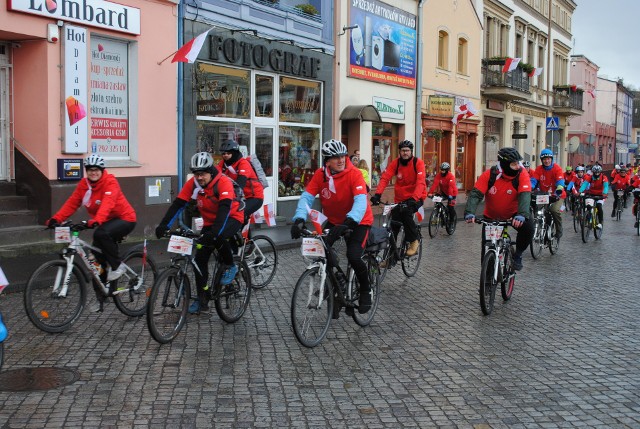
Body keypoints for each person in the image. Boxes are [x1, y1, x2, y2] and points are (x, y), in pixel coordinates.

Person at [290, 139, 373, 315]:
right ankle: (337, 288)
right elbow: (307, 197)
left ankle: (366, 290)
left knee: (353, 255)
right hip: (335, 219)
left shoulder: (355, 174)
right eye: (336, 157)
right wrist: (298, 219)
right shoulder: (320, 175)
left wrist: (349, 221)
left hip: (359, 220)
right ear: (327, 161)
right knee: (323, 251)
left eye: (343, 155)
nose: (341, 160)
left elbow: (360, 201)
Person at [155, 152, 244, 314]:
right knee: (199, 260)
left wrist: (215, 232)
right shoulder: (194, 183)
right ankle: (203, 300)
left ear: (210, 171)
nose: (199, 178)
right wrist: (163, 225)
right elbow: (178, 204)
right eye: (196, 174)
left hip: (232, 217)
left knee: (220, 236)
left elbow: (224, 209)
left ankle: (231, 265)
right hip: (210, 222)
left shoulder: (223, 182)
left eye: (202, 173)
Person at [47, 154, 137, 286]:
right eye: (90, 169)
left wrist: (97, 220)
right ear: (86, 171)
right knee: (96, 261)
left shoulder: (110, 182)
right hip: (105, 222)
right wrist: (56, 218)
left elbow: (108, 203)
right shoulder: (84, 185)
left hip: (125, 219)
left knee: (100, 234)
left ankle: (118, 266)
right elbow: (72, 203)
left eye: (96, 170)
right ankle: (102, 294)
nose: (93, 172)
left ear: (102, 170)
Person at [464, 147, 533, 271]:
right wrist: (470, 212)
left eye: (518, 163)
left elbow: (525, 194)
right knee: (487, 249)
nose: (518, 166)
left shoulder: (522, 174)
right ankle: (487, 283)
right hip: (492, 217)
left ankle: (518, 254)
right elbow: (476, 194)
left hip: (515, 215)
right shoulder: (490, 175)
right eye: (514, 164)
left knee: (528, 228)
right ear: (505, 164)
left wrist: (522, 214)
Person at [370, 140, 427, 256]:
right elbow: (385, 178)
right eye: (403, 150)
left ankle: (414, 240)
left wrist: (414, 198)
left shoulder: (418, 163)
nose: (405, 153)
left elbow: (421, 182)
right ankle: (391, 256)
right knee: (394, 224)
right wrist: (377, 194)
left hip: (416, 197)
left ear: (411, 151)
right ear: (399, 152)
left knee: (406, 214)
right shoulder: (395, 163)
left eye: (407, 150)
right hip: (400, 199)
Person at [217, 139, 264, 226]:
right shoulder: (223, 164)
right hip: (241, 197)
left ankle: (240, 234)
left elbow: (240, 184)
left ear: (234, 152)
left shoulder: (243, 163)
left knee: (237, 213)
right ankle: (243, 236)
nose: (226, 155)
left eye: (228, 153)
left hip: (254, 197)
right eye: (223, 153)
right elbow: (215, 177)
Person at [530, 149, 565, 238]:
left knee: (553, 210)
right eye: (544, 159)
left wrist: (559, 189)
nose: (547, 161)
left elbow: (560, 181)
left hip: (557, 195)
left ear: (551, 159)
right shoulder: (539, 169)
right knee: (539, 211)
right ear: (542, 160)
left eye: (548, 158)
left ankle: (559, 230)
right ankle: (542, 228)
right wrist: (530, 187)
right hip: (544, 195)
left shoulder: (557, 168)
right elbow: (534, 180)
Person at [578, 164, 609, 230]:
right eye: (595, 172)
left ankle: (600, 223)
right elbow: (585, 184)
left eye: (598, 172)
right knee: (588, 206)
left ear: (600, 172)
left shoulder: (604, 177)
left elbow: (606, 186)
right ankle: (588, 218)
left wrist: (605, 193)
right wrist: (580, 191)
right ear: (593, 172)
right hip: (591, 194)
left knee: (599, 206)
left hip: (601, 195)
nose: (597, 174)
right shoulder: (590, 177)